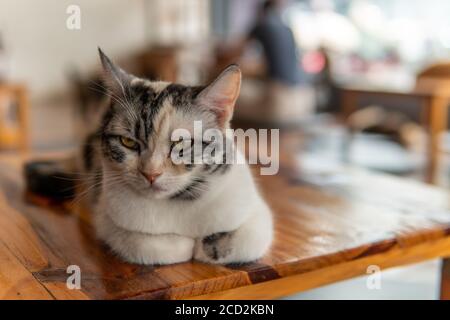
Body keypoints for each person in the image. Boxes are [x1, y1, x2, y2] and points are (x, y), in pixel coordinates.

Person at [234, 0, 315, 125]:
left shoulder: (261, 25)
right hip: (304, 98)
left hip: (281, 100)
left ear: (261, 12)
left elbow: (235, 53)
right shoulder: (288, 29)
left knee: (230, 99)